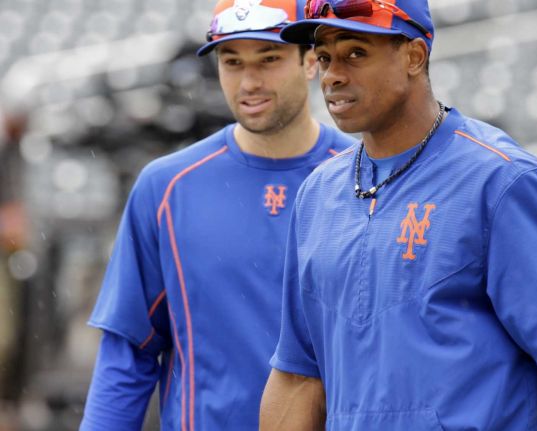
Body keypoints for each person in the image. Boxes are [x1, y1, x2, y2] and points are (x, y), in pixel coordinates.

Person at [259, 1, 537, 430]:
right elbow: (297, 374)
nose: (333, 75)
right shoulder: (317, 194)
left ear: (414, 56)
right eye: (324, 58)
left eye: (356, 53)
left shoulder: (502, 180)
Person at [80, 0, 354, 429]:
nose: (249, 82)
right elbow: (128, 352)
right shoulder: (165, 187)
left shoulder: (367, 177)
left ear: (310, 62)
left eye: (269, 59)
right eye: (232, 61)